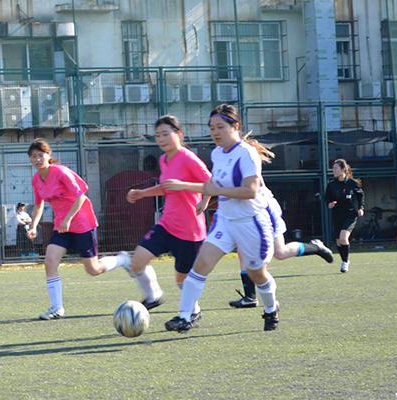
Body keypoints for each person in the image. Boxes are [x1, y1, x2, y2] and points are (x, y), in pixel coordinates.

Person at [162, 104, 280, 332]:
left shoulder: (246, 154)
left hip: (251, 222)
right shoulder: (217, 153)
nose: (215, 132)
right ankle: (185, 316)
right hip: (225, 220)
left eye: (220, 127)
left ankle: (271, 309)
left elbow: (250, 191)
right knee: (200, 265)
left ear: (235, 126)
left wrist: (215, 192)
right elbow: (215, 183)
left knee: (257, 273)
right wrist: (205, 199)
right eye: (211, 127)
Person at [25, 139, 129, 320]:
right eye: (33, 156)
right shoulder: (36, 179)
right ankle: (57, 308)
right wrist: (33, 226)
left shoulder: (61, 172)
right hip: (62, 227)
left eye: (40, 155)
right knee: (50, 261)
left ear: (49, 156)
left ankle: (122, 259)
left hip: (82, 224)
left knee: (93, 269)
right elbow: (38, 205)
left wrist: (68, 219)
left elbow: (81, 196)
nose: (37, 159)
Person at [122, 115, 211, 322]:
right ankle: (153, 296)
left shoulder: (188, 158)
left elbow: (211, 182)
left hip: (190, 231)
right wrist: (142, 193)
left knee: (182, 279)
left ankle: (194, 310)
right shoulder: (164, 159)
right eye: (157, 135)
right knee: (137, 262)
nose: (161, 139)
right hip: (166, 225)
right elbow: (167, 187)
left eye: (165, 134)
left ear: (179, 134)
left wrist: (203, 201)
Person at [226, 185, 336, 309]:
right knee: (243, 250)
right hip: (246, 211)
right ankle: (250, 297)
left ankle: (315, 247)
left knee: (280, 253)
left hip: (263, 209)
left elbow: (253, 187)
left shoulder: (247, 166)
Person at [324, 159, 364, 273]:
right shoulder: (331, 185)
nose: (334, 171)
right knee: (338, 242)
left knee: (343, 238)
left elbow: (361, 195)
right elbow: (327, 198)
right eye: (333, 169)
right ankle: (344, 260)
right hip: (337, 215)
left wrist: (361, 208)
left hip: (350, 214)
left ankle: (345, 262)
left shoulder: (352, 183)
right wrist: (329, 204)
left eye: (336, 168)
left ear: (343, 169)